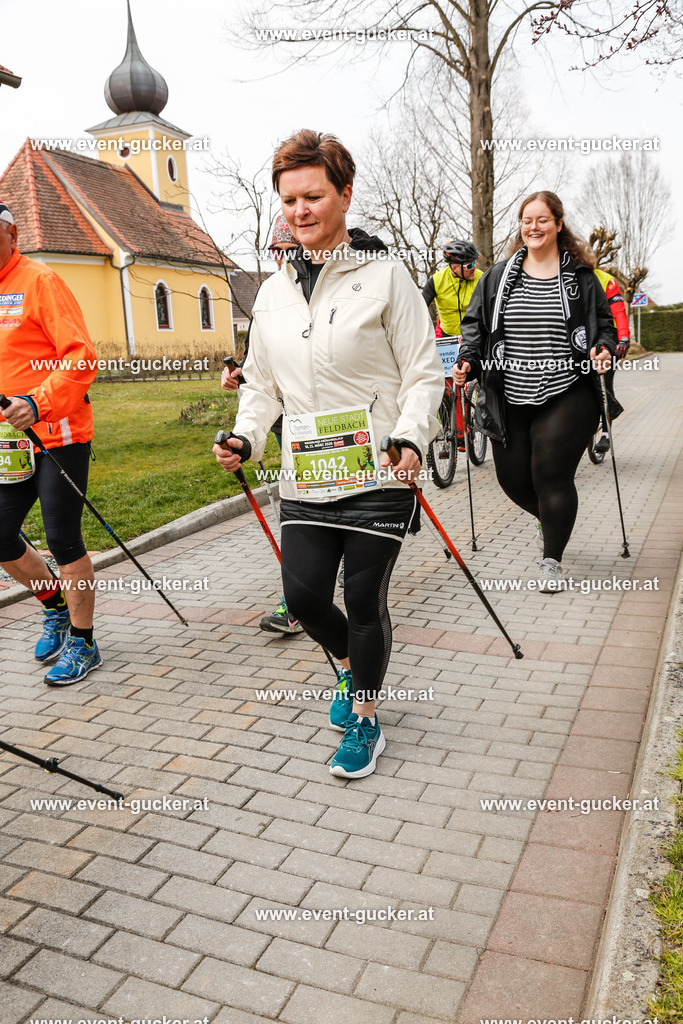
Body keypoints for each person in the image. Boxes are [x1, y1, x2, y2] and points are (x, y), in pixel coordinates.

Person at [214, 130, 443, 779]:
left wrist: (409, 437)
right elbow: (261, 383)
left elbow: (423, 373)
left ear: (344, 194)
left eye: (313, 195)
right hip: (308, 473)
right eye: (289, 199)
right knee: (306, 596)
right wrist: (246, 438)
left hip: (378, 470)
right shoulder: (272, 294)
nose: (300, 210)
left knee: (364, 600)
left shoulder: (385, 277)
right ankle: (348, 670)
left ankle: (365, 721)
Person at [454, 191, 618, 592]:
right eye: (527, 220)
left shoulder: (580, 278)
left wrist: (603, 349)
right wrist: (468, 360)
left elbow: (604, 324)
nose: (534, 227)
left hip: (569, 388)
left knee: (550, 470)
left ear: (558, 225)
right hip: (509, 391)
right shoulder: (499, 276)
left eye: (543, 219)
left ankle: (552, 558)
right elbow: (475, 326)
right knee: (513, 480)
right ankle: (552, 517)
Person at [0, 200, 101, 683]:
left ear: (11, 232)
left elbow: (82, 357)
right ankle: (55, 605)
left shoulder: (41, 282)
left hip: (58, 434)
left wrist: (38, 402)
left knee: (62, 538)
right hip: (7, 444)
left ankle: (83, 642)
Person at [223, 215, 303, 634]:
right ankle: (298, 598)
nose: (279, 257)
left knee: (326, 503)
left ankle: (312, 586)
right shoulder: (270, 295)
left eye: (285, 249)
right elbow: (261, 361)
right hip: (279, 415)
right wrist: (238, 372)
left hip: (328, 422)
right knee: (295, 507)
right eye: (274, 250)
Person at [423, 240, 483, 449]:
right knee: (446, 385)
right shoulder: (437, 281)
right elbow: (420, 308)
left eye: (474, 263)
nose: (473, 269)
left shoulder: (481, 279)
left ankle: (484, 417)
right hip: (447, 333)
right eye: (468, 265)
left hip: (474, 337)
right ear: (454, 267)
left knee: (483, 377)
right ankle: (454, 430)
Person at [593, 267, 630, 454]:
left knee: (605, 384)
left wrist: (623, 338)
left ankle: (606, 433)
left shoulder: (606, 279)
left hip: (608, 338)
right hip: (583, 338)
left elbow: (619, 311)